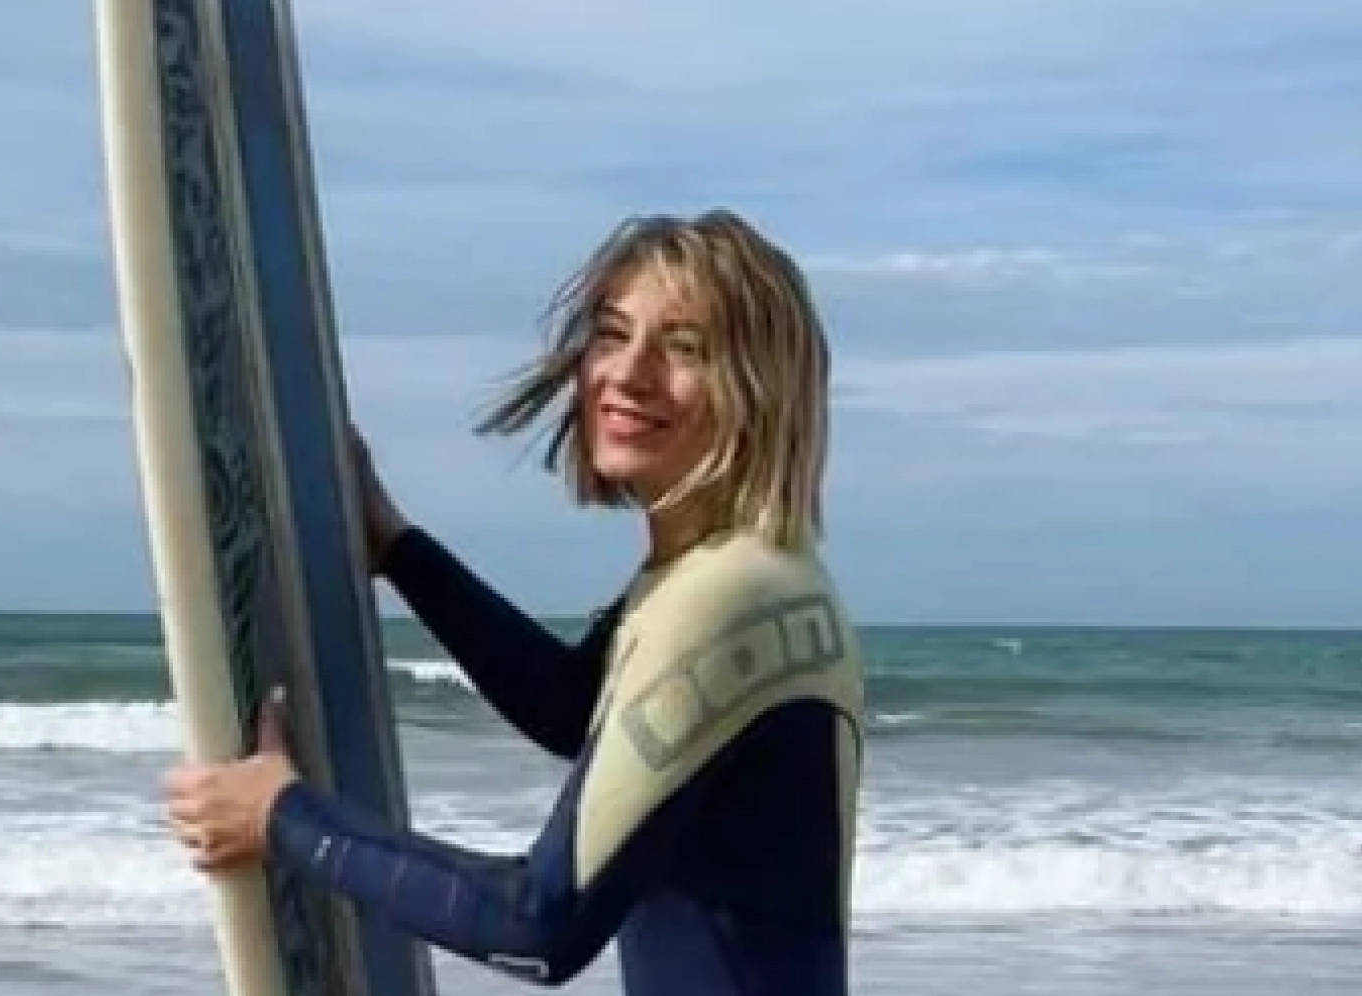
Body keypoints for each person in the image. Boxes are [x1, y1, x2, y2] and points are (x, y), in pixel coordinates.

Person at [162, 209, 867, 995]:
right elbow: (572, 708)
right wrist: (397, 549)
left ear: (760, 389)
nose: (630, 373)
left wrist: (283, 818)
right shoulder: (743, 576)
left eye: (685, 348)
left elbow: (539, 926)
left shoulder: (727, 597)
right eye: (612, 334)